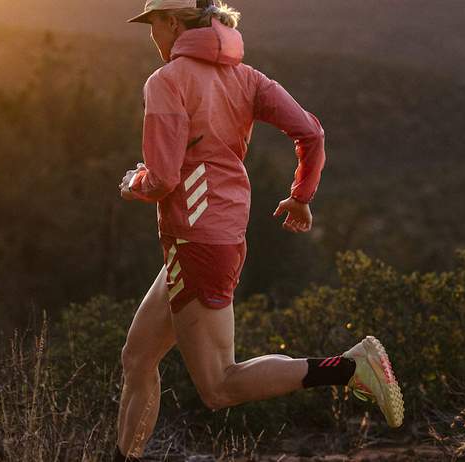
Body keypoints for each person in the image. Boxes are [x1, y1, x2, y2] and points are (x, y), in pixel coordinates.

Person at [114, 1, 403, 460]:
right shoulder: (248, 78)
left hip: (197, 242)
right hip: (210, 236)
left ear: (171, 22)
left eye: (152, 24)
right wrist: (301, 197)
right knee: (137, 358)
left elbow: (164, 178)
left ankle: (350, 368)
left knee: (219, 386)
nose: (152, 35)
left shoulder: (166, 81)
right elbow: (312, 133)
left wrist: (135, 184)